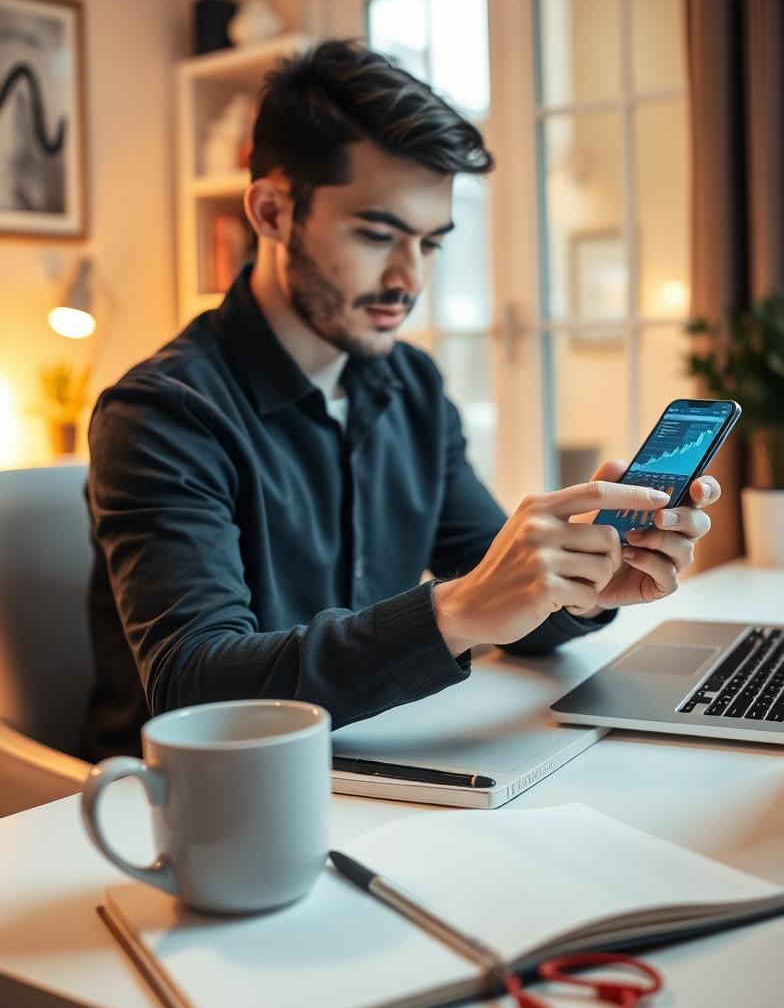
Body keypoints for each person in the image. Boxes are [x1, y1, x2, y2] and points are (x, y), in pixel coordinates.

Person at [81, 39, 720, 761]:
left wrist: (581, 586)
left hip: (368, 766)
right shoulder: (162, 413)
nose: (408, 279)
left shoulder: (411, 389)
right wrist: (456, 609)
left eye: (430, 243)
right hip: (181, 811)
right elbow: (192, 685)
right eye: (377, 233)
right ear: (270, 211)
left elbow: (502, 596)